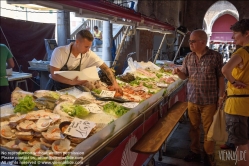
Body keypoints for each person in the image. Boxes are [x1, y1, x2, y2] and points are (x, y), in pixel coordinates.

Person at [173, 29, 225, 166]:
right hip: (192, 100)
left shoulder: (216, 57)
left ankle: (208, 155)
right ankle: (195, 152)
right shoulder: (188, 57)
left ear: (203, 42)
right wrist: (178, 72)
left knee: (209, 130)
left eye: (192, 41)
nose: (190, 43)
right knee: (193, 128)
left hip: (209, 101)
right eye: (189, 41)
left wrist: (221, 96)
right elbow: (185, 76)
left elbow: (221, 77)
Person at [46, 29, 122, 95]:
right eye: (86, 47)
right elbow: (54, 74)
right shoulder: (60, 52)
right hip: (55, 89)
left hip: (72, 90)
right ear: (77, 42)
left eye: (89, 46)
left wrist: (115, 84)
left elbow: (106, 68)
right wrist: (72, 82)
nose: (88, 49)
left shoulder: (88, 54)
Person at [222, 19, 249, 166]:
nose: (233, 37)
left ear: (247, 33)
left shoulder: (242, 51)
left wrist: (233, 81)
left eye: (236, 33)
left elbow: (225, 69)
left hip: (238, 105)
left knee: (240, 145)